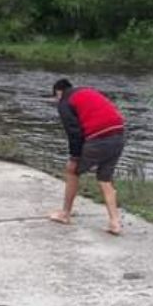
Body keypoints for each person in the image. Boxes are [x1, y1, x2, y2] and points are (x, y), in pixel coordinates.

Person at [49, 78, 126, 235]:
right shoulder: (87, 91)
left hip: (99, 138)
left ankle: (65, 214)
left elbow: (74, 133)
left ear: (58, 92)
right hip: (119, 134)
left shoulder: (65, 101)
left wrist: (75, 157)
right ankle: (115, 222)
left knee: (72, 171)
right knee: (105, 178)